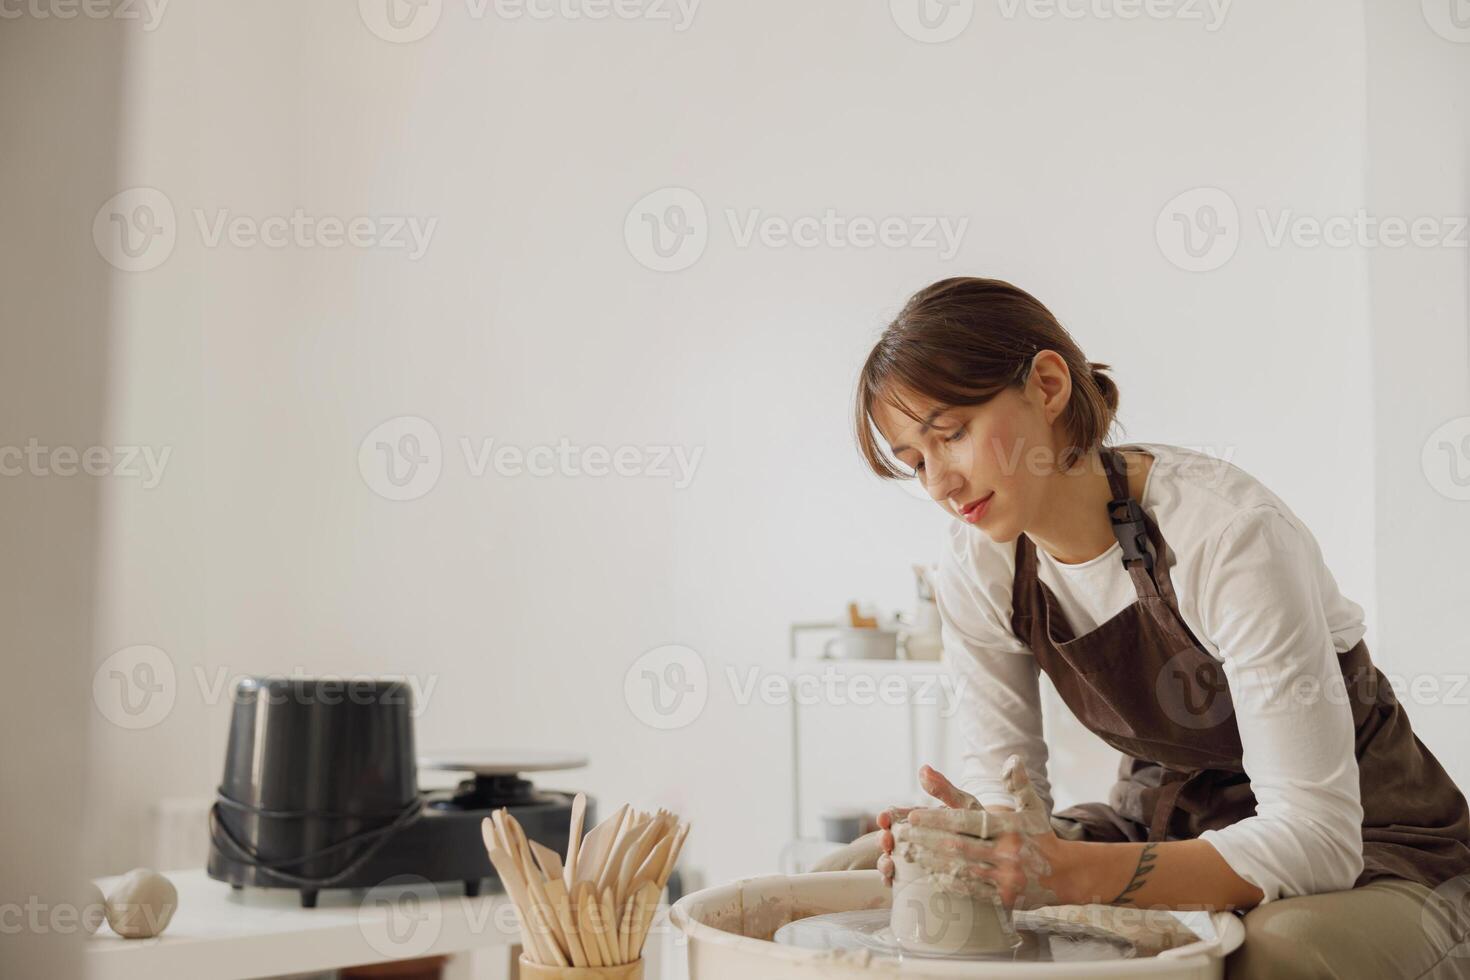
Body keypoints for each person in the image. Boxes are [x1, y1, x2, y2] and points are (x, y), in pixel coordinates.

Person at [814, 277, 1470, 979]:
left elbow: (1316, 836)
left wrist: (1067, 875)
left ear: (1047, 384)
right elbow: (1009, 795)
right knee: (851, 872)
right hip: (1165, 821)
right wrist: (978, 841)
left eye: (952, 434)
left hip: (1376, 850)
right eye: (915, 461)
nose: (939, 483)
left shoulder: (1229, 536)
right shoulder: (978, 562)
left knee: (1273, 952)